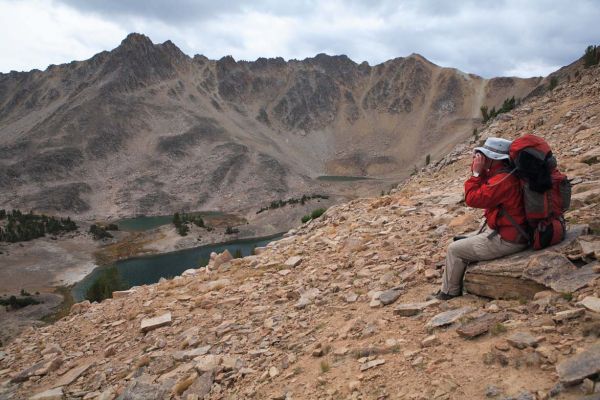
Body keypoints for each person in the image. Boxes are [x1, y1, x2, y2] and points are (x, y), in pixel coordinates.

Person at [436, 137, 528, 300]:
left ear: (493, 159)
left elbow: (472, 199)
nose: (480, 158)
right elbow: (489, 186)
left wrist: (476, 174)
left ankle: (449, 293)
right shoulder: (506, 174)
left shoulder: (502, 181)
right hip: (514, 232)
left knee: (455, 250)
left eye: (483, 156)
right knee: (461, 240)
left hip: (509, 239)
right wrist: (482, 173)